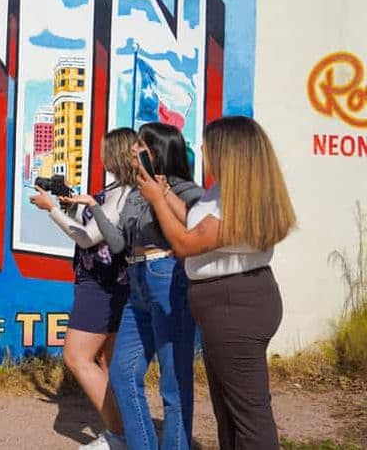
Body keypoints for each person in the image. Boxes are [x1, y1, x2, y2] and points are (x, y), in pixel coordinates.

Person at [137, 116, 296, 450]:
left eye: (209, 144)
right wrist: (165, 194)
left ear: (230, 152)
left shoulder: (239, 202)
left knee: (249, 415)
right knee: (229, 410)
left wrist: (154, 200)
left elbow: (184, 243)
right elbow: (195, 225)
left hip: (235, 308)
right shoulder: (223, 191)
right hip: (225, 307)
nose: (203, 149)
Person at [63, 122, 202, 450]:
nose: (132, 150)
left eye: (140, 145)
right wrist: (94, 208)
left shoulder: (183, 188)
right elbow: (117, 244)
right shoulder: (134, 194)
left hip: (167, 277)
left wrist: (162, 194)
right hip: (137, 282)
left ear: (158, 151)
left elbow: (194, 225)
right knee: (123, 375)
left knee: (173, 380)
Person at [30, 128, 136, 450]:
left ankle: (120, 436)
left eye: (106, 151)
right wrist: (72, 207)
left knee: (77, 357)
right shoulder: (117, 189)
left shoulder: (123, 193)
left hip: (103, 285)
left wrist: (53, 210)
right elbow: (93, 228)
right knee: (108, 363)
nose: (102, 156)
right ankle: (127, 433)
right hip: (108, 283)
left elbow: (88, 237)